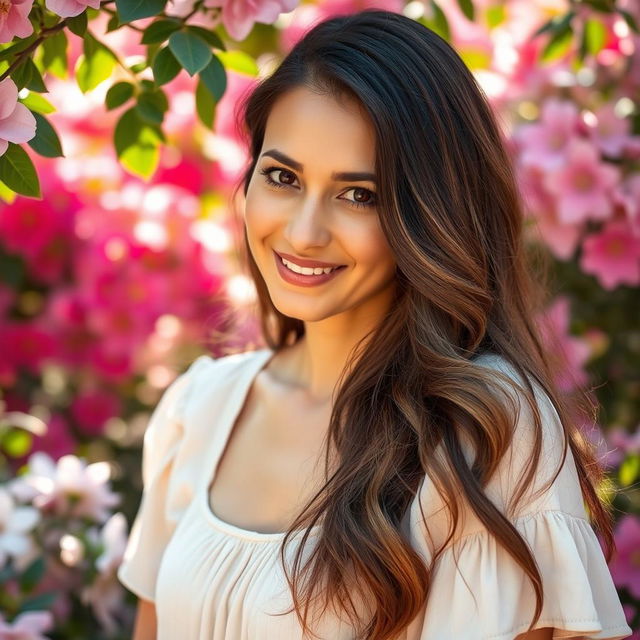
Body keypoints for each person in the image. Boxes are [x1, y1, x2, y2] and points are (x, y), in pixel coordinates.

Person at [117, 9, 632, 640]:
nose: (303, 233)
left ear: (430, 213)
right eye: (282, 177)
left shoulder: (484, 430)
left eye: (359, 194)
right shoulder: (196, 411)